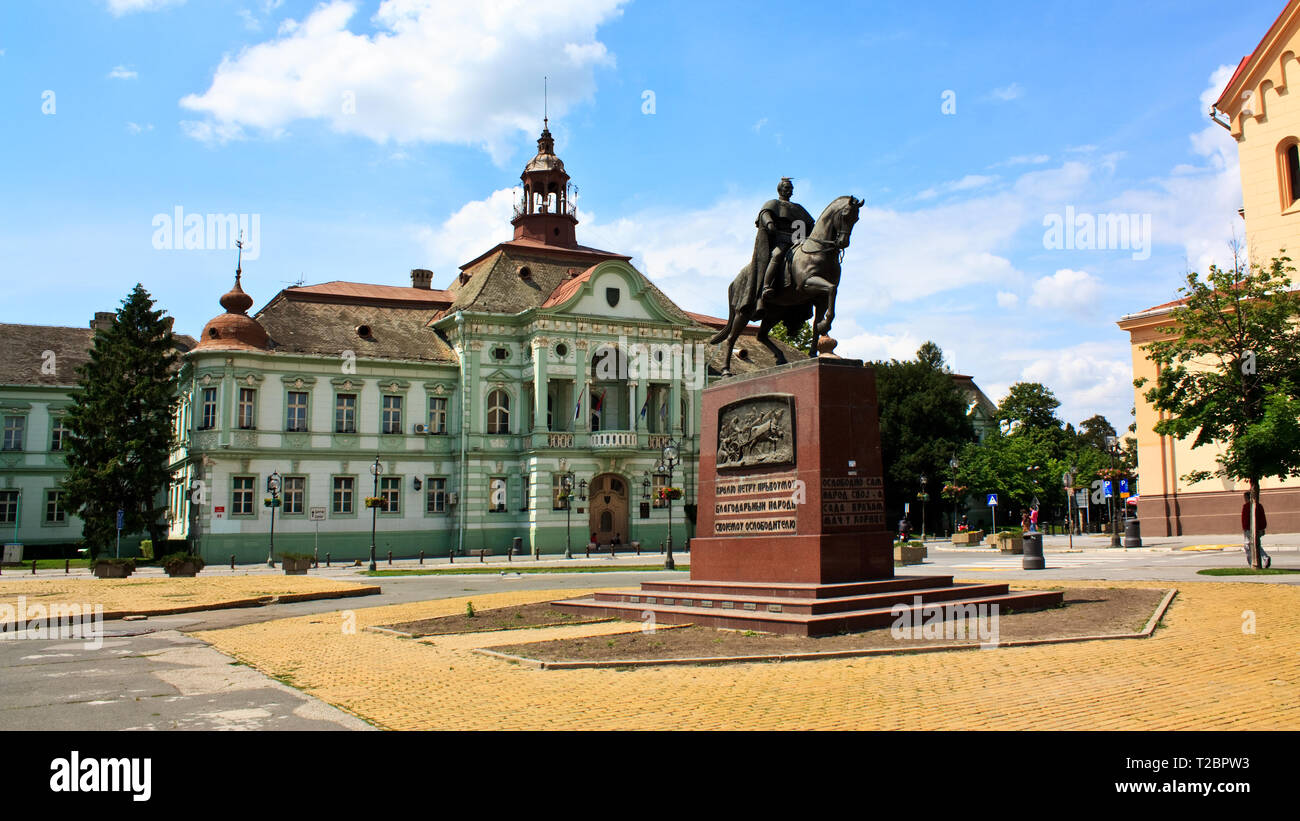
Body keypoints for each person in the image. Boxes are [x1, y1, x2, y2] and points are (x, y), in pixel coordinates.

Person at [751, 178, 815, 314]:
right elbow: (765, 213)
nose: (789, 191)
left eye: (791, 188)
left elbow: (810, 224)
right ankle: (766, 286)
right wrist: (769, 223)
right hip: (780, 239)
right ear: (779, 189)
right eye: (786, 188)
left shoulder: (798, 208)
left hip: (798, 241)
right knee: (778, 255)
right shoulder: (773, 203)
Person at [1241, 492, 1272, 568]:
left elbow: (1245, 519)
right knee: (1255, 544)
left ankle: (1253, 563)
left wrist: (1245, 528)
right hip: (1258, 528)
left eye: (1245, 498)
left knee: (1248, 545)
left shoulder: (1248, 506)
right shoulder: (1258, 505)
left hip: (1250, 529)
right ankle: (1264, 558)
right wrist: (1262, 528)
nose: (1244, 499)